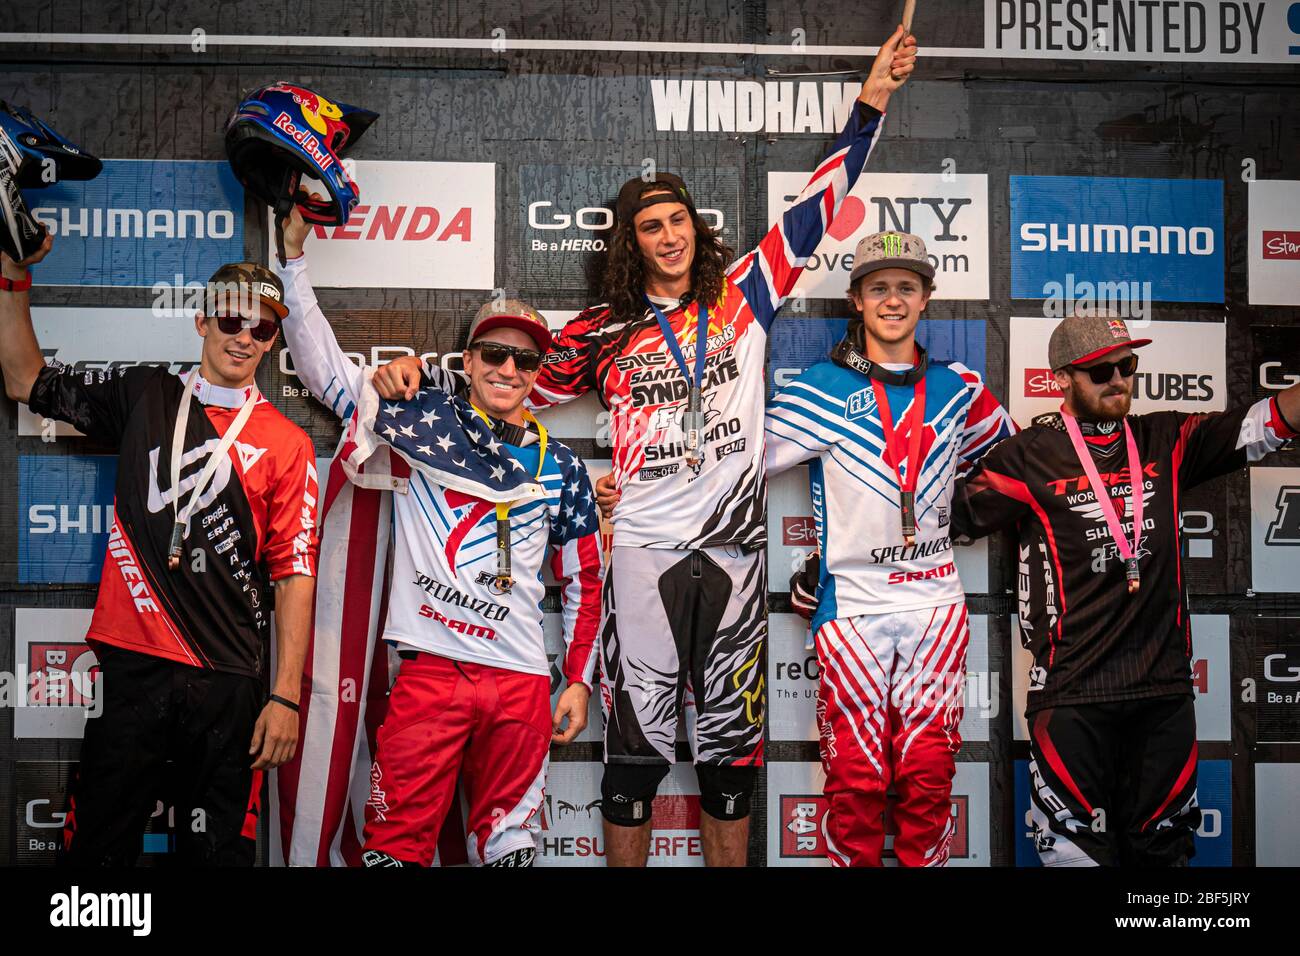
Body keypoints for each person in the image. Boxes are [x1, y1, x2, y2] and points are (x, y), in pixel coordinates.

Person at [378, 24, 919, 866]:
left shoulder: (746, 295)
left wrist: (873, 99)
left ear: (697, 233)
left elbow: (819, 204)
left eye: (679, 223)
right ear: (629, 245)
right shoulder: (604, 331)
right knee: (630, 759)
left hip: (736, 551)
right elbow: (509, 381)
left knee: (731, 762)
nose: (669, 237)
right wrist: (417, 373)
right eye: (650, 228)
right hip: (637, 549)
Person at [275, 207, 602, 867]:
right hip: (429, 671)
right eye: (495, 352)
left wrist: (578, 681)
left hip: (519, 682)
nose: (509, 368)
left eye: (525, 359)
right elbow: (328, 375)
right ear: (469, 358)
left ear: (539, 372)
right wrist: (292, 263)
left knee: (509, 852)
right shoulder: (423, 420)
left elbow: (586, 581)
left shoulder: (563, 467)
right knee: (394, 852)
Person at [0, 237, 319, 866]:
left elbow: (293, 573)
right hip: (136, 666)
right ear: (202, 320)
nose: (243, 336)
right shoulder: (146, 395)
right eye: (230, 317)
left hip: (230, 680)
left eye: (260, 327)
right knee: (99, 856)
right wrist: (12, 276)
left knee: (217, 856)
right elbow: (21, 376)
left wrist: (284, 697)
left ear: (272, 342)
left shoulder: (288, 443)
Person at [952, 312, 1299, 866]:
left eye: (1127, 365)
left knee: (1165, 856)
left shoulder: (1166, 437)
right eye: (1101, 371)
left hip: (1162, 688)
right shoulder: (1027, 456)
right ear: (1062, 378)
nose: (1118, 379)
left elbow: (1268, 422)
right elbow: (938, 517)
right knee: (1072, 855)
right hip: (1071, 689)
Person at [762, 231, 1016, 866]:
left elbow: (1012, 460)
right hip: (851, 608)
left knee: (929, 774)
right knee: (856, 778)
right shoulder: (819, 386)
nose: (893, 300)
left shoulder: (959, 387)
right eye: (879, 288)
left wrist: (966, 510)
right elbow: (740, 465)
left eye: (906, 287)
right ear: (856, 300)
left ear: (926, 297)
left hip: (936, 606)